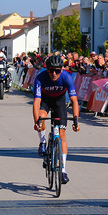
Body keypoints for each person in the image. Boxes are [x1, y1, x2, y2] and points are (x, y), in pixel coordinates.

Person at [33, 55, 80, 184]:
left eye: (57, 71)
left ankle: (63, 171)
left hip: (59, 103)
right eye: (51, 70)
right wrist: (36, 121)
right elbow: (37, 102)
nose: (54, 73)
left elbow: (74, 101)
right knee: (41, 118)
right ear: (47, 69)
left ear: (61, 70)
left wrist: (76, 120)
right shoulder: (40, 78)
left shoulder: (67, 77)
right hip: (45, 101)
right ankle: (42, 142)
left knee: (62, 136)